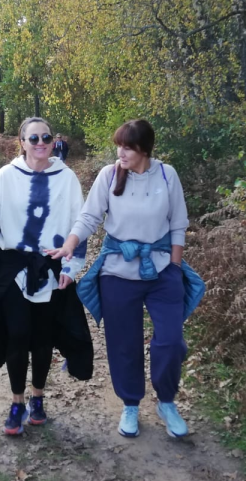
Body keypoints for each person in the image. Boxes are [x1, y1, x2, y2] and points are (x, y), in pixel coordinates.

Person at [48, 119, 204, 439]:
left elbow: (178, 224)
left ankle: (166, 400)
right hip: (118, 271)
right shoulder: (109, 175)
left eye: (127, 147)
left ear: (144, 149)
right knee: (123, 343)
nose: (120, 152)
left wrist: (175, 268)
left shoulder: (166, 174)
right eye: (118, 145)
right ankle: (130, 403)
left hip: (162, 270)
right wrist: (70, 243)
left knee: (171, 340)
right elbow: (90, 217)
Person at [0, 117, 93, 435]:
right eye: (33, 138)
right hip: (13, 267)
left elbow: (80, 224)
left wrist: (72, 269)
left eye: (45, 137)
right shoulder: (5, 177)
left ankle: (38, 398)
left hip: (52, 267)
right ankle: (17, 402)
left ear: (52, 141)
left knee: (43, 338)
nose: (40, 143)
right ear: (22, 142)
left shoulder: (67, 178)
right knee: (17, 335)